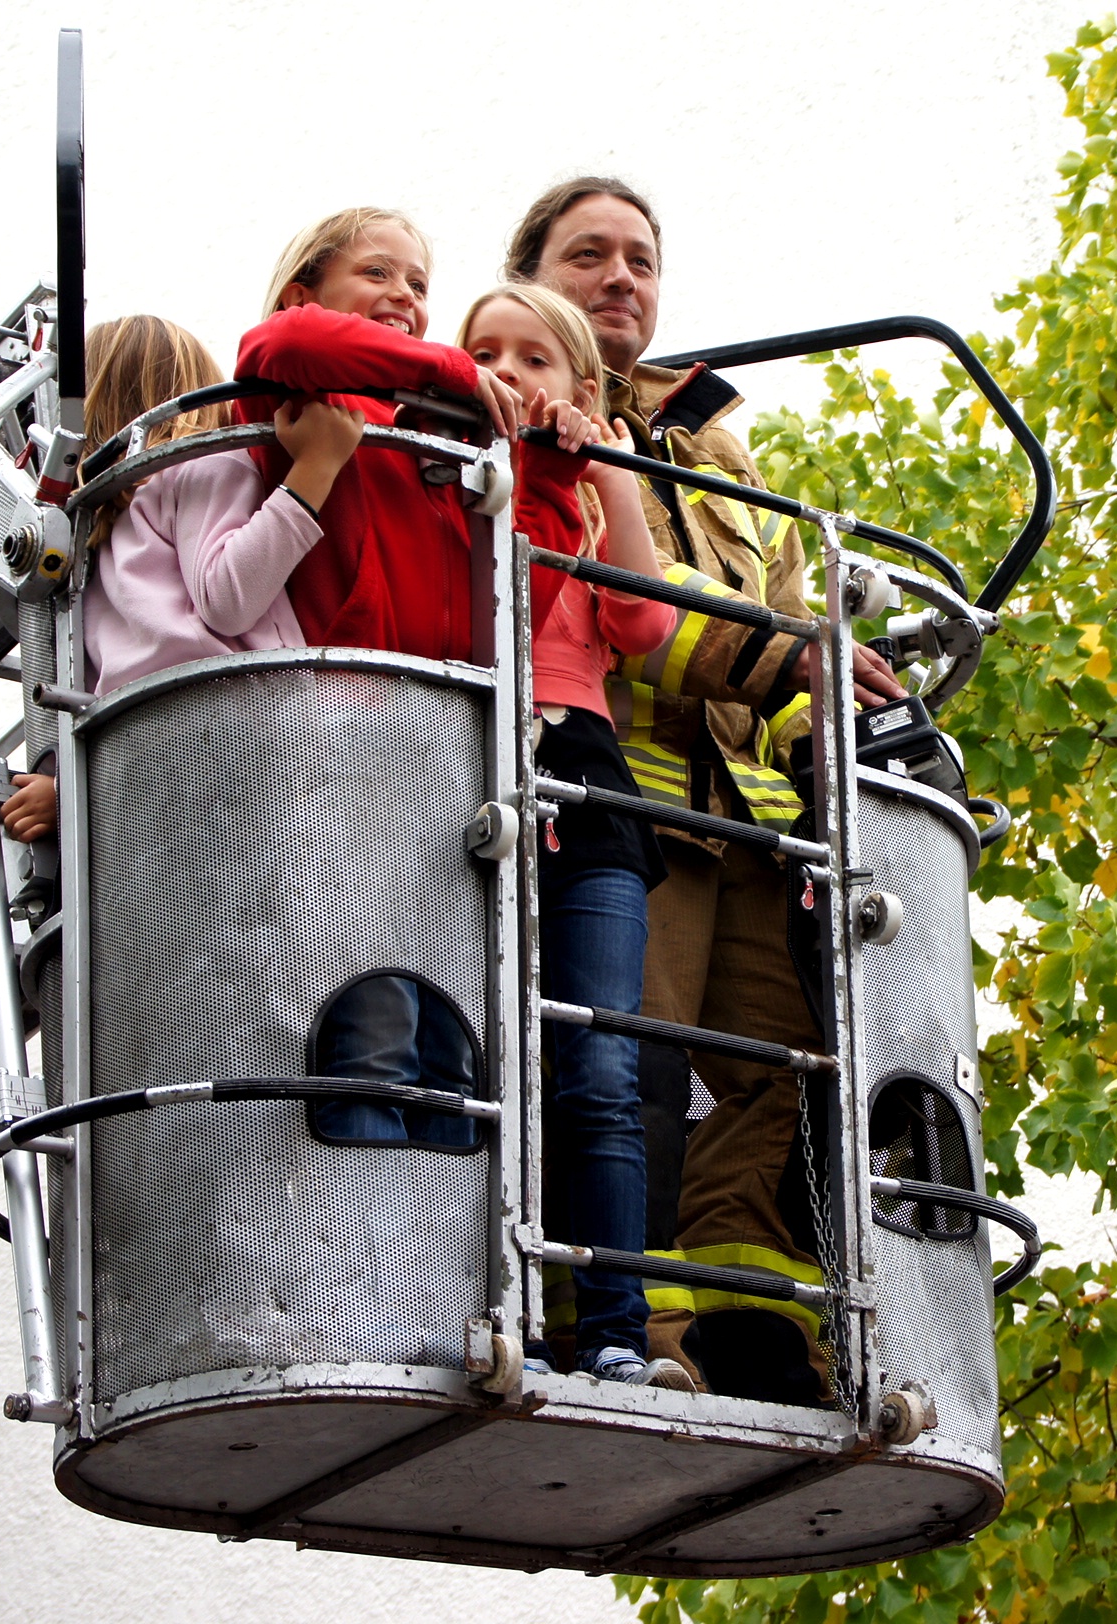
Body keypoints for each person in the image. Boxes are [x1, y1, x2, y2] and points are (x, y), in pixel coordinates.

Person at [506, 179, 908, 1406]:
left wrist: (830, 720)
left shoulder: (721, 452)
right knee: (619, 1066)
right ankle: (631, 1335)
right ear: (530, 276)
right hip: (625, 810)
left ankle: (756, 1328)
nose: (620, 276)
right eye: (589, 254)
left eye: (641, 257)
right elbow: (634, 614)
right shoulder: (530, 414)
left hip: (753, 827)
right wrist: (786, 656)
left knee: (788, 1071)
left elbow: (782, 618)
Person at [237, 208, 599, 1154]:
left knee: (453, 1049)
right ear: (307, 288)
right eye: (378, 274)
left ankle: (436, 1233)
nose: (404, 296)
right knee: (367, 1016)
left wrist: (549, 478)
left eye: (419, 285)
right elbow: (280, 342)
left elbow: (502, 623)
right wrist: (450, 372)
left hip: (449, 761)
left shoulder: (432, 451)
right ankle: (351, 1217)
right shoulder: (320, 407)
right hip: (341, 741)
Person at [457, 282, 692, 1390]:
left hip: (587, 779)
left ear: (582, 386)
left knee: (598, 1065)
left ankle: (615, 1332)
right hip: (463, 771)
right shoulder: (446, 470)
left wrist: (606, 468)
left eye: (534, 358)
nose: (508, 371)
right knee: (475, 1055)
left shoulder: (595, 486)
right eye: (485, 353)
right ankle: (481, 1310)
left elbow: (644, 623)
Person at [0, 313, 365, 843]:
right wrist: (316, 469)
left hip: (143, 752)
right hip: (241, 725)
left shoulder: (95, 540)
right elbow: (229, 599)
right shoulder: (203, 464)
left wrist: (68, 790)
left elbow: (92, 681)